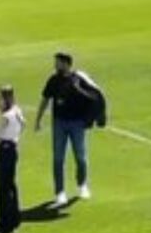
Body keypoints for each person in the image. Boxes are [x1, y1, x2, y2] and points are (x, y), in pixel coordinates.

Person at [35, 52, 107, 207]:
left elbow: (95, 96)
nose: (55, 65)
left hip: (77, 124)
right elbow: (45, 99)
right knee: (58, 159)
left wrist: (92, 117)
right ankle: (60, 193)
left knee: (80, 156)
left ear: (66, 64)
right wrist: (38, 119)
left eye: (58, 62)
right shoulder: (53, 80)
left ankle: (82, 185)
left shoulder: (79, 79)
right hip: (59, 123)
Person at [0, 85, 25, 233]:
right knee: (11, 185)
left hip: (5, 150)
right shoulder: (17, 111)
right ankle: (14, 217)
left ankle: (5, 222)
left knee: (3, 187)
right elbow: (23, 124)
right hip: (13, 147)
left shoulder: (5, 116)